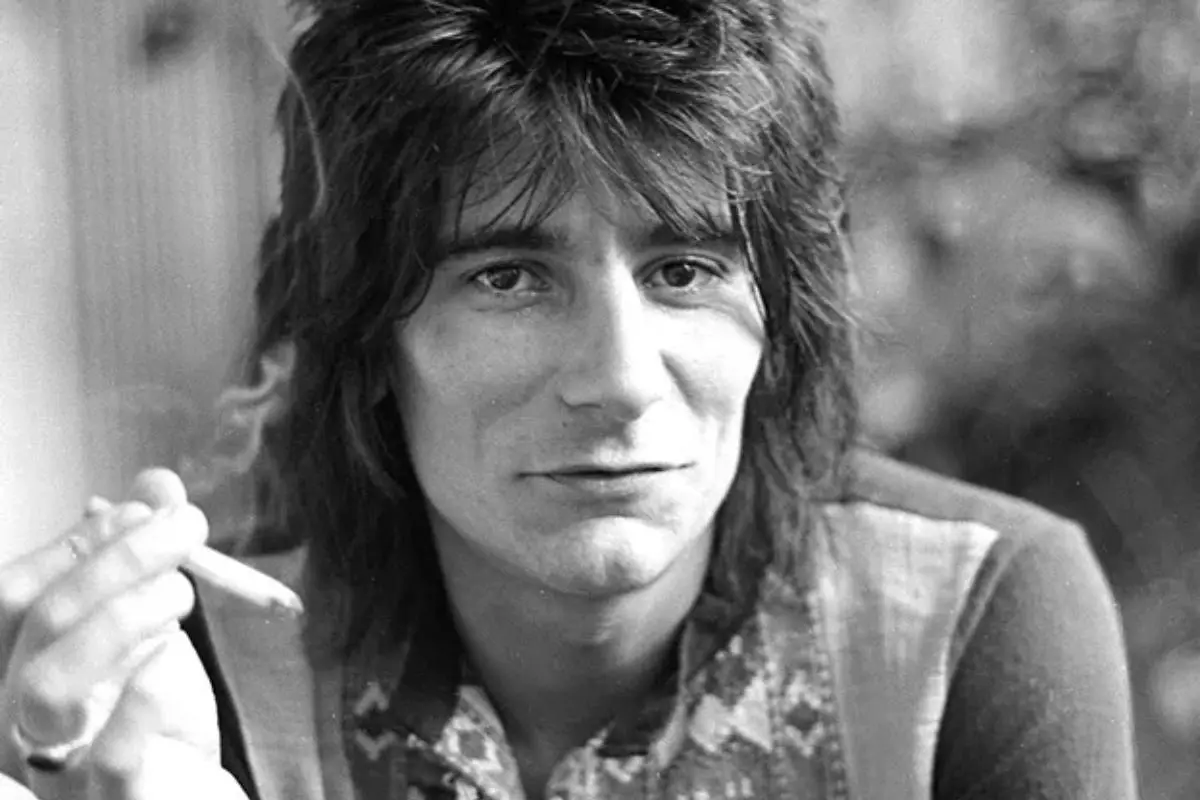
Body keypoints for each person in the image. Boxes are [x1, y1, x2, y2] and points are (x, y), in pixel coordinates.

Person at [0, 1, 1139, 798]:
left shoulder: (966, 623)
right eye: (507, 276)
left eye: (685, 270)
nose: (619, 378)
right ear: (365, 339)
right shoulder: (190, 681)